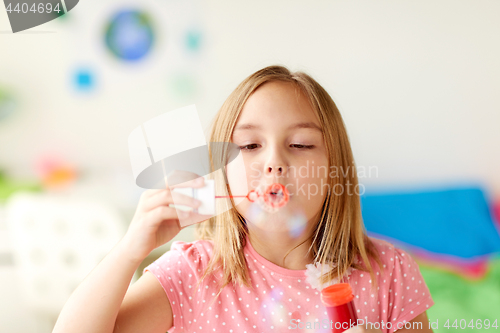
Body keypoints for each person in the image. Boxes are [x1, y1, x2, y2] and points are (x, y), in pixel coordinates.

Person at [52, 65, 435, 333]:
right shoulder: (192, 273)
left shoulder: (389, 273)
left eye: (300, 144)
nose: (274, 163)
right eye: (250, 145)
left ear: (336, 169)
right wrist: (129, 251)